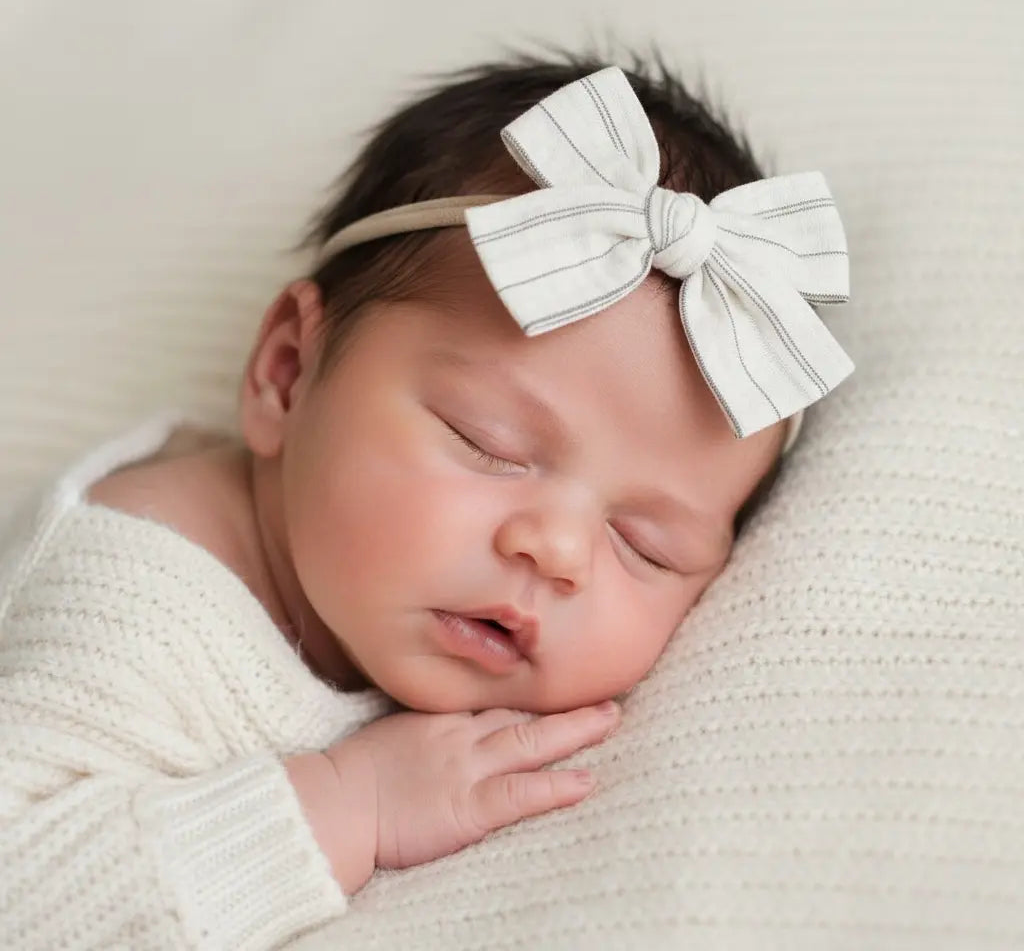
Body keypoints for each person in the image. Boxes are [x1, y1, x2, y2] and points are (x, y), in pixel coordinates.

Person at [0, 53, 852, 948]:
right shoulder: (135, 601)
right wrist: (345, 803)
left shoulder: (351, 585)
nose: (557, 551)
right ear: (288, 375)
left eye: (645, 544)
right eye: (489, 445)